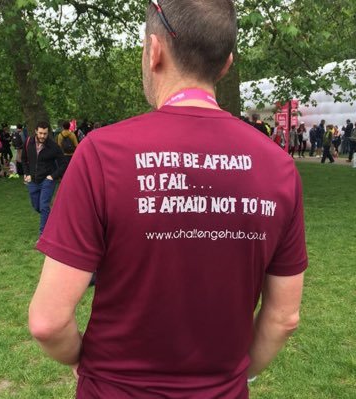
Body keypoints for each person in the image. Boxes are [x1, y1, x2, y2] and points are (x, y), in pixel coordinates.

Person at [29, 2, 307, 398]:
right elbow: (283, 317)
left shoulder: (102, 155)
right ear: (226, 64)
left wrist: (82, 361)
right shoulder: (279, 167)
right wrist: (234, 378)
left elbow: (48, 322)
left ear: (154, 50)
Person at [22, 121, 67, 236]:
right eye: (41, 133)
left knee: (44, 206)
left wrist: (52, 176)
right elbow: (24, 160)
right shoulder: (28, 142)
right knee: (37, 206)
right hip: (32, 180)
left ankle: (43, 235)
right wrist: (27, 173)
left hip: (47, 181)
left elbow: (63, 164)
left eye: (45, 134)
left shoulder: (53, 146)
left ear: (48, 133)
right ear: (36, 131)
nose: (42, 136)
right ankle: (53, 219)